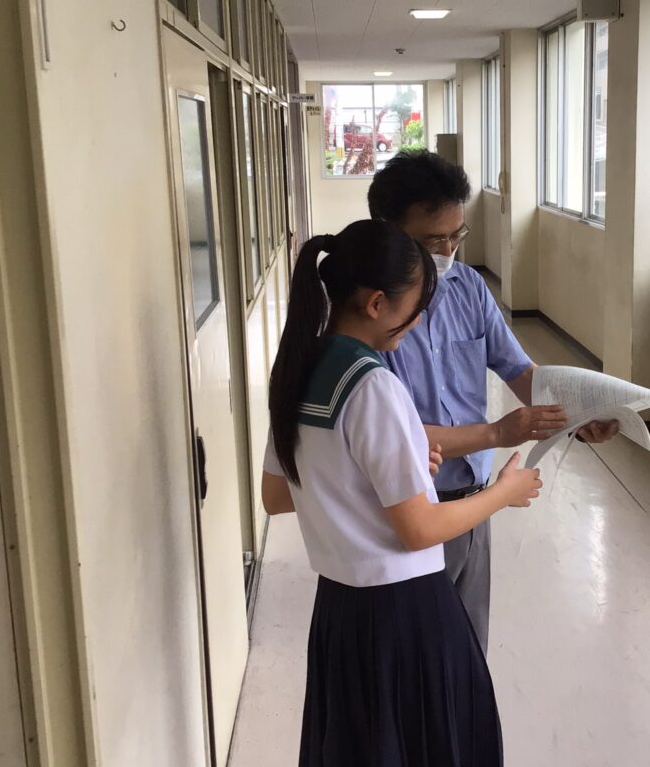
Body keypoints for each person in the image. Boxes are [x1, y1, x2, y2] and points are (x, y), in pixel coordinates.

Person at [261, 219, 542, 765]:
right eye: (414, 311)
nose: (415, 325)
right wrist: (503, 492)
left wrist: (386, 472)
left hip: (340, 611)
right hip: (403, 613)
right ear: (375, 304)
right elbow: (419, 530)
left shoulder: (297, 369)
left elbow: (279, 495)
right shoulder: (375, 386)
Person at [369, 150, 620, 652]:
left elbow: (518, 370)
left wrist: (576, 416)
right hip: (408, 510)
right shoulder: (374, 317)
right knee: (417, 655)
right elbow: (393, 436)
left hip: (473, 500)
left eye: (456, 235)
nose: (447, 250)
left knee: (468, 646)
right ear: (388, 233)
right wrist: (499, 433)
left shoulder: (469, 290)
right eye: (432, 240)